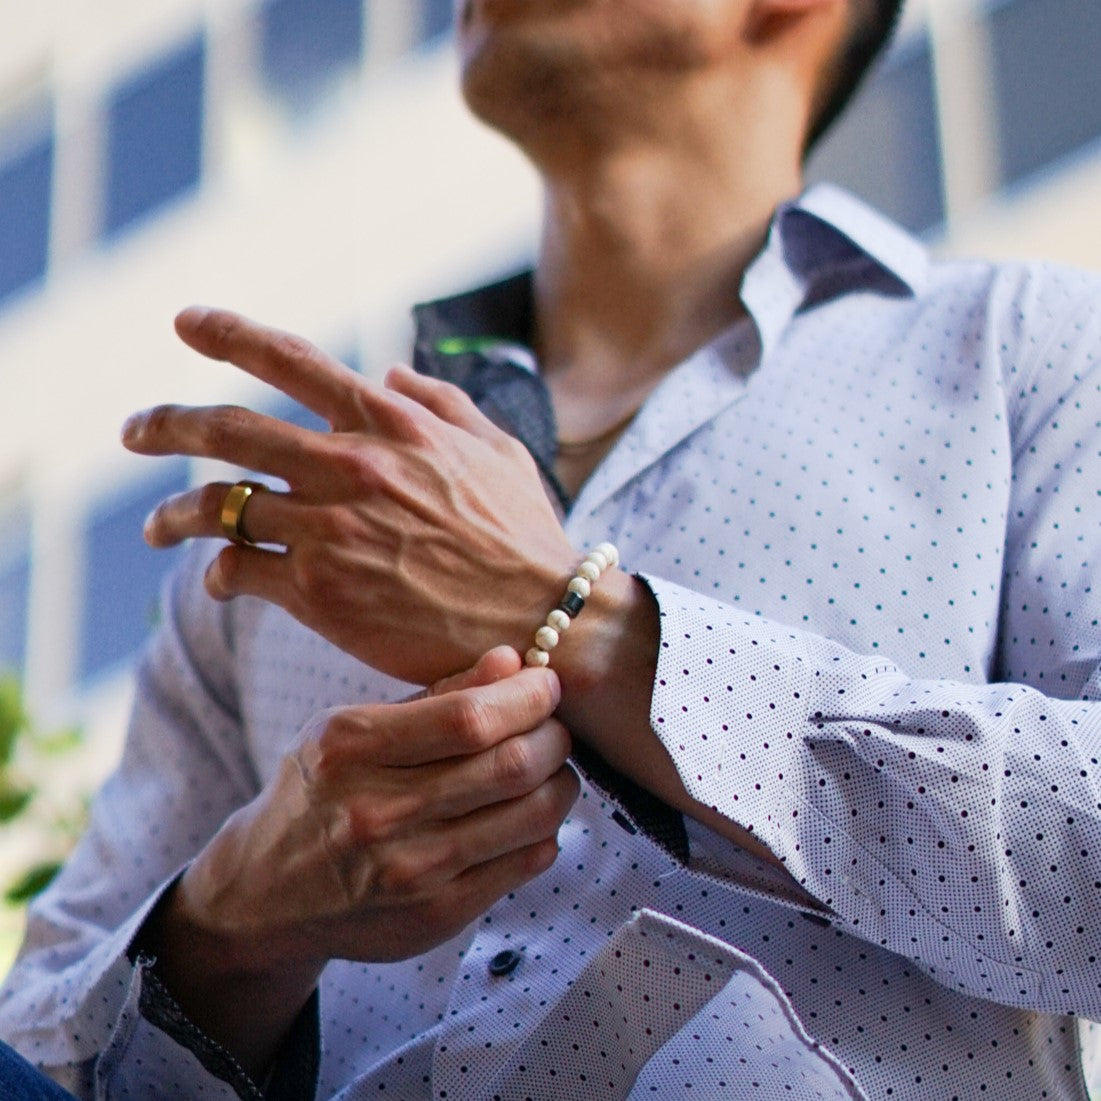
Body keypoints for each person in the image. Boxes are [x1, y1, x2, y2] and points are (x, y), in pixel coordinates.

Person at [2, 0, 1100, 1097]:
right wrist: (230, 924)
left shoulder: (1032, 352)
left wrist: (581, 623)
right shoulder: (293, 538)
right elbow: (37, 1051)